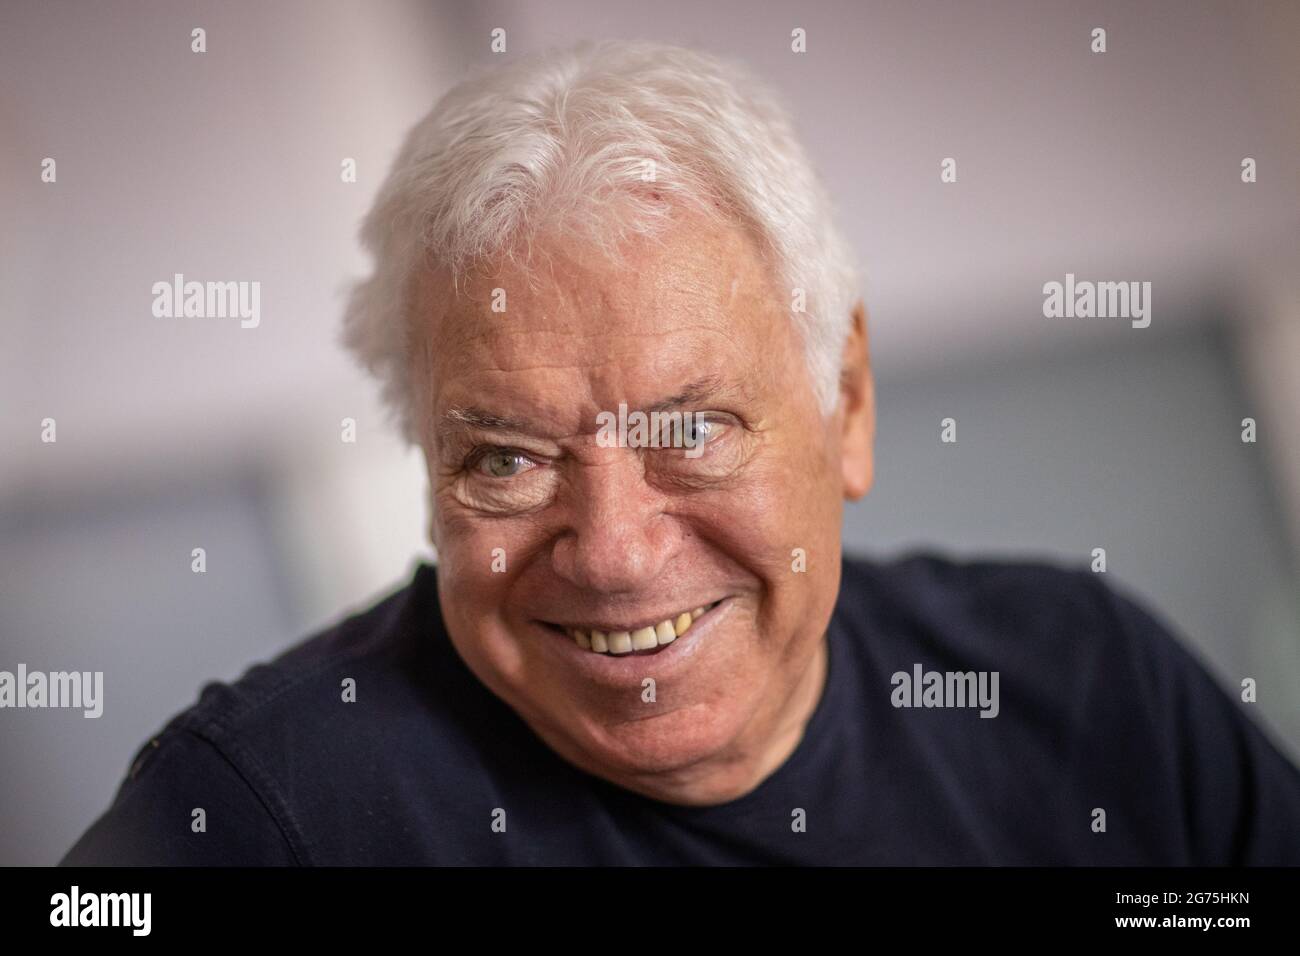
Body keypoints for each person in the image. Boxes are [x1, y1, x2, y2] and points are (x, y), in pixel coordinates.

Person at [62, 39, 1300, 866]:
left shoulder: (1090, 687)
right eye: (505, 458)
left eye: (692, 430)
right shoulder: (260, 814)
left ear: (847, 404)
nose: (609, 552)